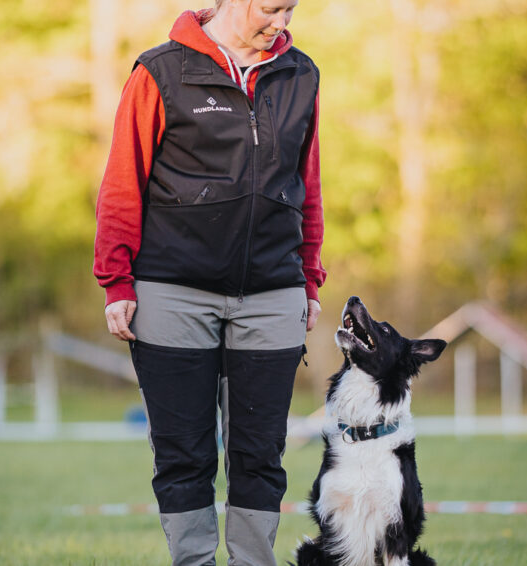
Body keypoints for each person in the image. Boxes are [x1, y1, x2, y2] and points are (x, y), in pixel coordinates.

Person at [93, 0, 326, 564]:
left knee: (261, 454)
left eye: (291, 8)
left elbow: (308, 181)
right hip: (172, 289)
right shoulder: (160, 72)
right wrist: (117, 280)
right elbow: (123, 181)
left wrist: (310, 277)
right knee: (184, 455)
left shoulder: (301, 74)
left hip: (273, 290)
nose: (282, 21)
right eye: (273, 7)